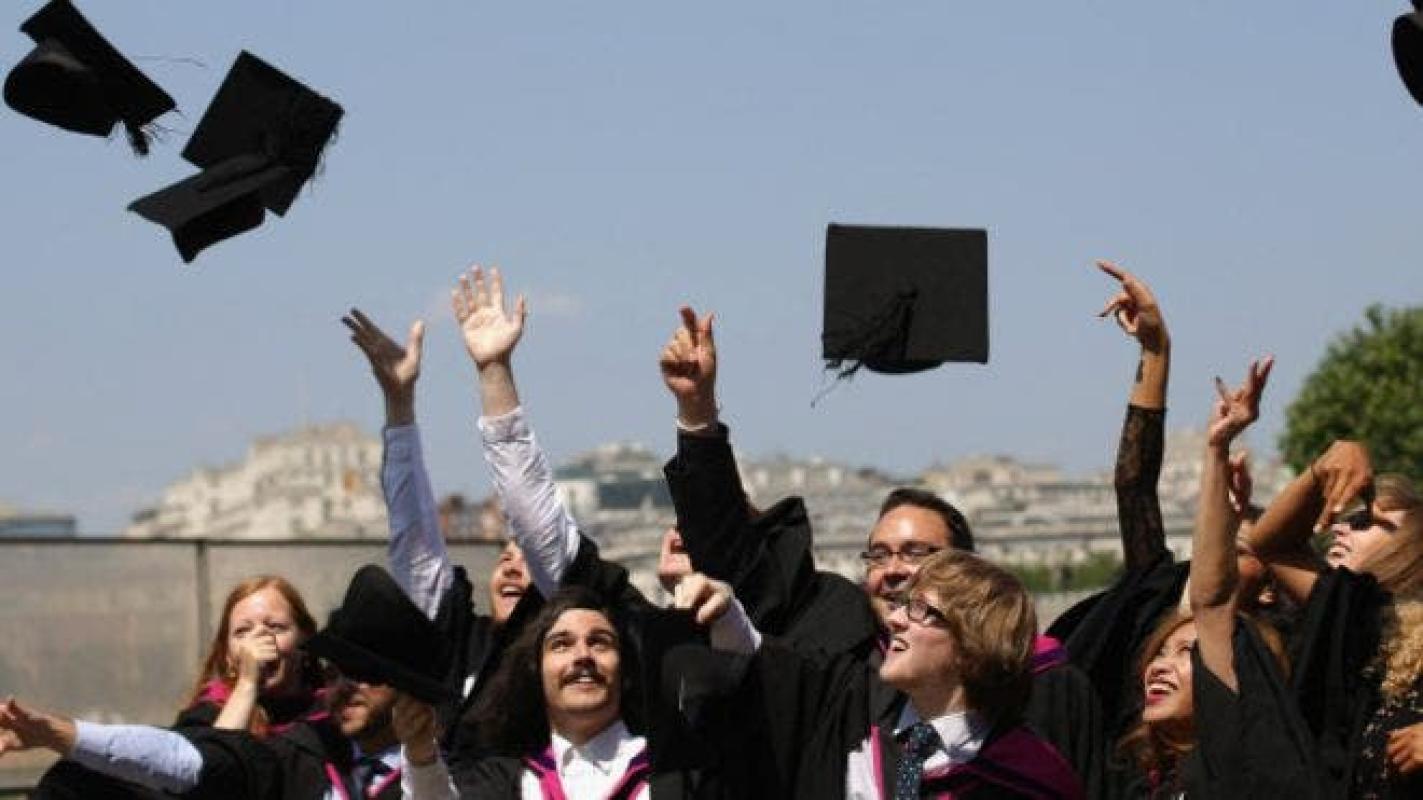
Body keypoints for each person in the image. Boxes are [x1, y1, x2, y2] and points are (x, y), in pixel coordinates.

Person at [656, 301, 1102, 792]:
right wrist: (697, 415)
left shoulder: (1033, 760)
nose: (894, 585)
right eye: (878, 554)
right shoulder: (847, 700)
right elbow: (753, 613)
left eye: (915, 556)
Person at [700, 548, 1082, 799]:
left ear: (972, 647)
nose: (895, 619)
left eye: (920, 610)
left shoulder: (1031, 780)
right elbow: (770, 661)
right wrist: (724, 611)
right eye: (902, 605)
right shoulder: (852, 709)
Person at [342, 306, 550, 748]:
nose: (512, 568)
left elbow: (536, 513)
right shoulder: (460, 643)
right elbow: (416, 549)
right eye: (505, 558)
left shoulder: (572, 654)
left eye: (529, 560)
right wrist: (399, 404)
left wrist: (495, 370)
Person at [1245, 438, 1423, 798]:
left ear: (1413, 547)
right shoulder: (1360, 619)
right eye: (1344, 520)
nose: (1340, 530)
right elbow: (1270, 545)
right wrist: (1323, 469)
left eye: (1364, 522)